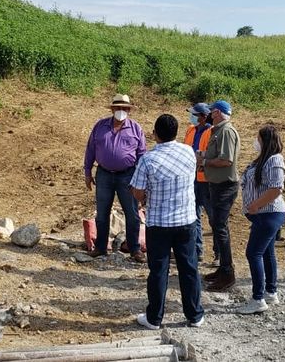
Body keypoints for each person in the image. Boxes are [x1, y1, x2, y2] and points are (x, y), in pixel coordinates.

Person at [130, 114, 205, 329]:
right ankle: (195, 315)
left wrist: (145, 197)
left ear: (155, 134)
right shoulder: (188, 152)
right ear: (176, 132)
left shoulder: (148, 159)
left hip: (159, 223)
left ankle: (154, 318)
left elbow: (137, 191)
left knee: (158, 271)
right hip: (186, 221)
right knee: (189, 268)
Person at [84, 94, 147, 263]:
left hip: (128, 175)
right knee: (102, 213)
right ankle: (100, 247)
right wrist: (87, 172)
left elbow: (142, 155)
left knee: (132, 213)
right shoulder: (100, 126)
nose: (121, 111)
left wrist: (142, 179)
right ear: (112, 109)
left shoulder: (136, 128)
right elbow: (90, 149)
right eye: (118, 108)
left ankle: (134, 249)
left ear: (129, 110)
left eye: (124, 108)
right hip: (104, 174)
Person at [237, 125, 285, 315]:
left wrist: (256, 205)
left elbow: (276, 189)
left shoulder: (275, 160)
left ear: (265, 141)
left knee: (253, 253)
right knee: (267, 252)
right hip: (263, 214)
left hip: (268, 214)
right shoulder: (263, 159)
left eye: (258, 138)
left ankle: (258, 299)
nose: (255, 141)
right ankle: (270, 292)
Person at [199, 100, 240, 292]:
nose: (208, 115)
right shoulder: (219, 131)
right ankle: (223, 269)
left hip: (225, 186)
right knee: (218, 227)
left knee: (220, 228)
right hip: (217, 185)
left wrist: (204, 161)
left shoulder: (226, 131)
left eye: (211, 111)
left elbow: (226, 160)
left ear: (217, 113)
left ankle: (227, 273)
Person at [183, 102, 214, 264]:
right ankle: (196, 250)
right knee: (193, 216)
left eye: (194, 114)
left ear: (203, 116)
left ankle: (218, 253)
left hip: (206, 180)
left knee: (213, 218)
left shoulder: (212, 132)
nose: (192, 117)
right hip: (191, 178)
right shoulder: (190, 130)